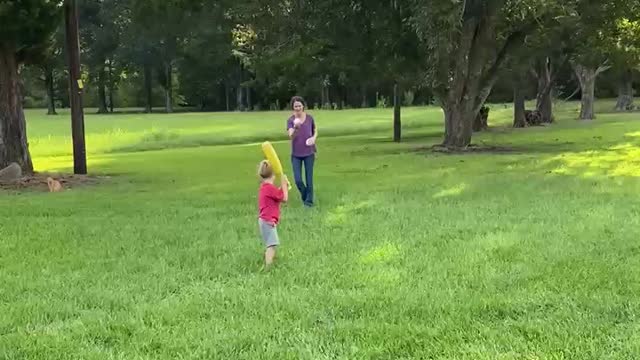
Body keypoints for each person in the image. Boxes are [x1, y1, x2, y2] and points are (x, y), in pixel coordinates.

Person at [286, 96, 317, 207]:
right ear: (293, 108)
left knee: (309, 179)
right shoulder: (290, 121)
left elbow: (315, 131)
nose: (298, 108)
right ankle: (305, 195)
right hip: (296, 155)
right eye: (295, 106)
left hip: (309, 153)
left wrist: (314, 138)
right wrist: (296, 127)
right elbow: (291, 135)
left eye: (299, 106)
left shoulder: (309, 118)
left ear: (303, 106)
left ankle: (309, 202)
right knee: (298, 180)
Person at [257, 160, 289, 269]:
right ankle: (268, 267)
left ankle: (268, 260)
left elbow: (277, 195)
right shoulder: (269, 188)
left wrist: (283, 187)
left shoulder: (265, 188)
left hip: (264, 220)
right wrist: (284, 185)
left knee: (271, 244)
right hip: (268, 221)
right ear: (273, 175)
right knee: (271, 245)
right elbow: (284, 198)